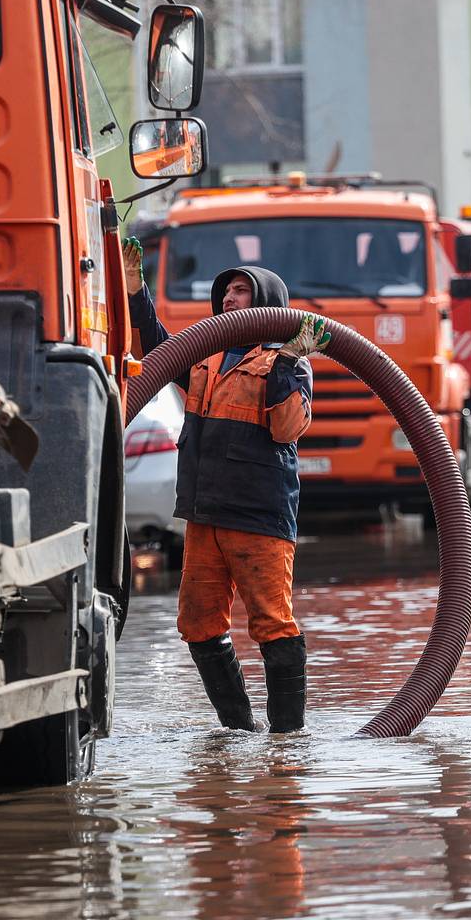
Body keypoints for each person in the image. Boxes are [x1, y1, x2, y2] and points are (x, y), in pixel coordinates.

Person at [122, 237, 328, 733]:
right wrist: (135, 290)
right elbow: (158, 348)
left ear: (266, 305)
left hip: (258, 517)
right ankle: (239, 730)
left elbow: (286, 428)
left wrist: (284, 360)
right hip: (203, 514)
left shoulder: (290, 365)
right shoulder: (205, 359)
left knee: (271, 622)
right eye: (228, 291)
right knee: (197, 624)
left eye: (242, 291)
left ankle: (286, 742)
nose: (231, 298)